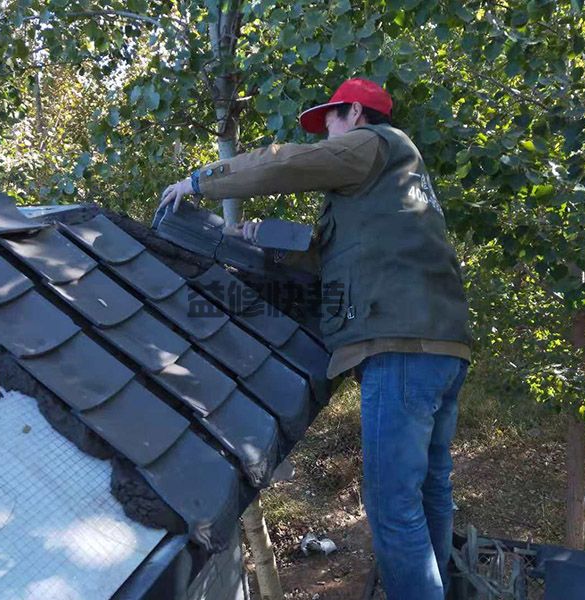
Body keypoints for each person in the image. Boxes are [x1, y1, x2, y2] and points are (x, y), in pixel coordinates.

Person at [160, 77, 471, 600]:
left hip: (398, 346)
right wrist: (256, 238)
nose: (325, 132)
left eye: (329, 119)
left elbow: (285, 163)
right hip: (441, 346)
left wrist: (200, 182)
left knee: (392, 503)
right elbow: (337, 258)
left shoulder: (374, 144)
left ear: (354, 113)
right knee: (429, 488)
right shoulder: (391, 185)